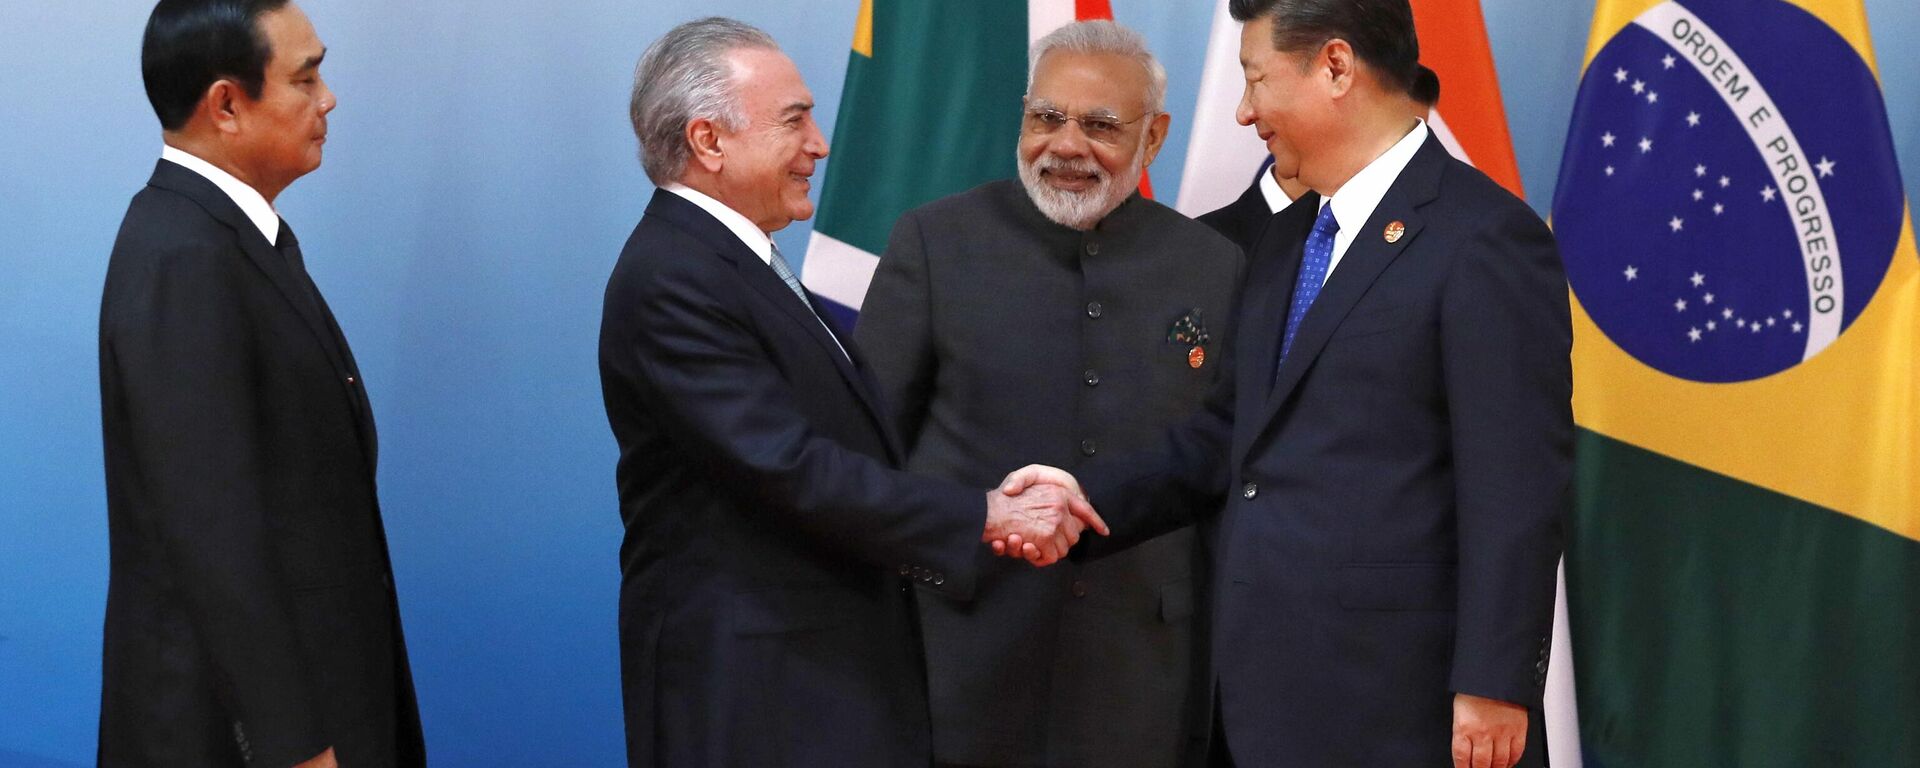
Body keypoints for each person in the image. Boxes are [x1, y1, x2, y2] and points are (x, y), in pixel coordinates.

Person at [999, 1, 1571, 766]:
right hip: (1260, 699)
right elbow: (1224, 439)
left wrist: (1494, 684)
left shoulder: (1486, 238)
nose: (1243, 112)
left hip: (1405, 708)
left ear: (1335, 67)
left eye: (1256, 80)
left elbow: (1517, 483)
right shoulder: (1288, 241)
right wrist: (1077, 502)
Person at [598, 17, 1105, 767]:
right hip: (755, 696)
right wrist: (984, 513)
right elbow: (789, 467)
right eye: (794, 119)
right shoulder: (675, 277)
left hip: (811, 682)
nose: (821, 144)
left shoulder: (732, 264)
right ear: (709, 141)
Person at [855, 21, 1241, 768]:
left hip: (1141, 667)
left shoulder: (1213, 266)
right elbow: (868, 452)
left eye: (1101, 125)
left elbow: (1220, 457)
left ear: (1154, 138)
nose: (1066, 146)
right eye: (1046, 117)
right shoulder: (936, 242)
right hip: (962, 646)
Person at [97, 2, 422, 766]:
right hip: (242, 737)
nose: (329, 97)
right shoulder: (183, 257)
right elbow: (215, 533)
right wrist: (295, 745)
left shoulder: (240, 238)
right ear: (227, 104)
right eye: (305, 78)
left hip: (323, 696)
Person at [1199, 64, 1439, 252]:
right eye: (1391, 140)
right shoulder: (1203, 245)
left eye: (1409, 144)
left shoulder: (1426, 241)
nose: (1401, 161)